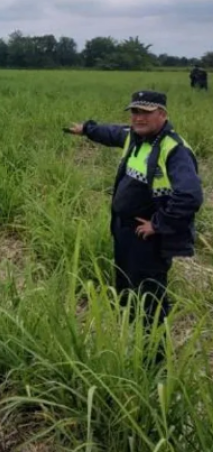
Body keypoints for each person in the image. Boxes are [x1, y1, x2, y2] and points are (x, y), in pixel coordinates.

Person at [66, 91, 203, 343]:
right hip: (125, 230)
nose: (138, 118)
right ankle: (133, 340)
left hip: (149, 238)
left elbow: (190, 196)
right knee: (127, 288)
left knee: (149, 296)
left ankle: (155, 359)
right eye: (135, 112)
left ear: (162, 114)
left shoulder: (174, 150)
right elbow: (111, 133)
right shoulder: (135, 137)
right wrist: (87, 128)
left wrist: (159, 224)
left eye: (146, 112)